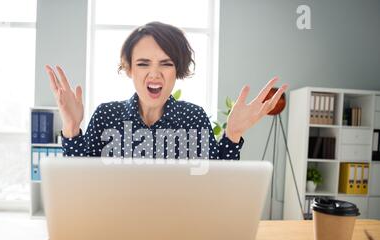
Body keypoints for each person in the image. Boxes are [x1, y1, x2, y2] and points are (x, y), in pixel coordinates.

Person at [45, 21, 288, 160]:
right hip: (114, 228)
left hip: (182, 231)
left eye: (166, 64)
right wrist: (72, 129)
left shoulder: (194, 118)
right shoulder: (106, 115)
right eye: (143, 64)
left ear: (178, 70)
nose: (154, 74)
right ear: (129, 69)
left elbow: (218, 181)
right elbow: (80, 181)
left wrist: (233, 134)